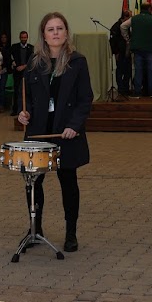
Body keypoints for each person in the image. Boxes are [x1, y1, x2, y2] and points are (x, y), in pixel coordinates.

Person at [16, 13, 94, 252]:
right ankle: (35, 228)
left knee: (68, 183)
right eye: (51, 29)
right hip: (39, 132)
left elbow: (85, 99)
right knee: (33, 183)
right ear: (44, 34)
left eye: (60, 28)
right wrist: (23, 113)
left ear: (66, 33)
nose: (56, 32)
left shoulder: (77, 62)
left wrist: (74, 125)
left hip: (65, 133)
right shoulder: (34, 63)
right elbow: (28, 99)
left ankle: (71, 233)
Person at [123, 8, 152, 98]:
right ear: (149, 10)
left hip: (137, 49)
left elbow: (123, 26)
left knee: (138, 70)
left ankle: (137, 92)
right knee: (151, 71)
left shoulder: (134, 19)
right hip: (149, 49)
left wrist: (127, 38)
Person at [10, 31, 34, 115]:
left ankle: (27, 110)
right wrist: (14, 63)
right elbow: (10, 57)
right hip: (17, 72)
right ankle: (16, 110)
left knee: (27, 91)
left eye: (25, 37)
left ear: (27, 38)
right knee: (17, 90)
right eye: (22, 37)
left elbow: (32, 61)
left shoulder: (31, 48)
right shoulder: (14, 47)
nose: (23, 39)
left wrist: (24, 66)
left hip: (27, 72)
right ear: (20, 38)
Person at [109, 11, 132, 96]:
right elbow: (113, 41)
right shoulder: (115, 27)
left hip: (127, 51)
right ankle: (121, 89)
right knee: (120, 71)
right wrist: (116, 52)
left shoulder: (127, 26)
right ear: (125, 17)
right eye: (129, 17)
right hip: (120, 52)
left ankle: (126, 88)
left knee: (128, 71)